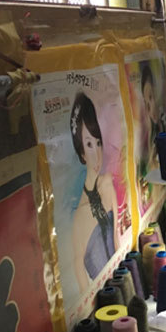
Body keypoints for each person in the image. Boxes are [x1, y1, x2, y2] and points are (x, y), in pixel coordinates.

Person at [70, 91, 119, 293]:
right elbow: (78, 270)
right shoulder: (79, 215)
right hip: (104, 300)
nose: (97, 153)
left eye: (98, 143)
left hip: (123, 285)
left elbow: (117, 239)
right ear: (81, 152)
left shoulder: (107, 184)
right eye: (89, 144)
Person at [139, 63, 163, 208]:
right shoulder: (144, 148)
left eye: (151, 97)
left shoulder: (161, 136)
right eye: (145, 102)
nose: (150, 107)